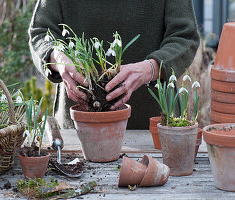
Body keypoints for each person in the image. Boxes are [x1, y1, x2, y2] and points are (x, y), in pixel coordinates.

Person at [29, 0, 200, 129]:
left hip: (154, 127)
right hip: (79, 128)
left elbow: (184, 36)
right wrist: (58, 57)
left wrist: (150, 68)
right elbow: (41, 32)